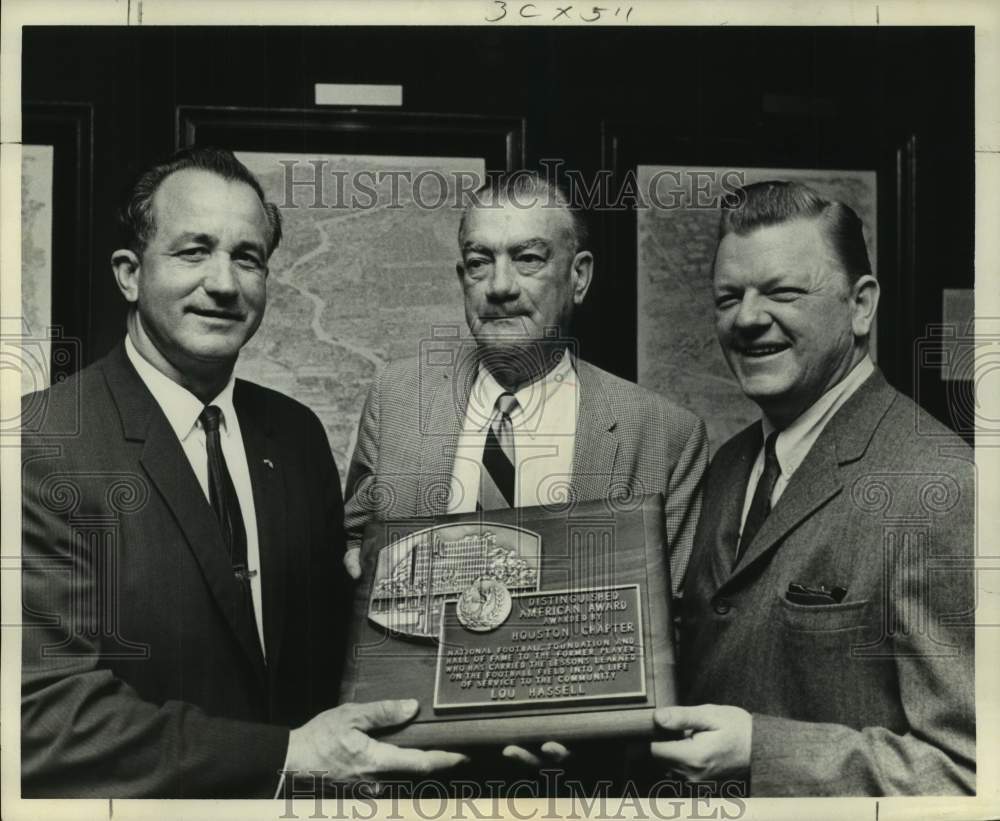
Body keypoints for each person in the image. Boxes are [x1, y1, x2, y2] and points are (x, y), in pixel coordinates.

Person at [20, 147, 465, 798]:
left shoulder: (296, 435)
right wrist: (286, 753)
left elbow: (334, 661)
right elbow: (46, 719)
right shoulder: (40, 443)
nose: (224, 283)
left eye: (247, 257)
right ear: (128, 273)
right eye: (193, 251)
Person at [342, 172, 708, 783]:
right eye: (479, 262)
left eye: (528, 259)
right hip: (413, 777)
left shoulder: (662, 434)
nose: (501, 286)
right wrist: (358, 563)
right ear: (462, 278)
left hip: (580, 785)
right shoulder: (395, 400)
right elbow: (355, 542)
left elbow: (671, 629)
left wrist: (595, 739)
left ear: (579, 276)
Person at [651, 181, 975, 795]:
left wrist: (761, 752)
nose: (746, 319)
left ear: (861, 306)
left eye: (783, 293)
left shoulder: (938, 485)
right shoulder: (727, 466)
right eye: (728, 297)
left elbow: (967, 773)